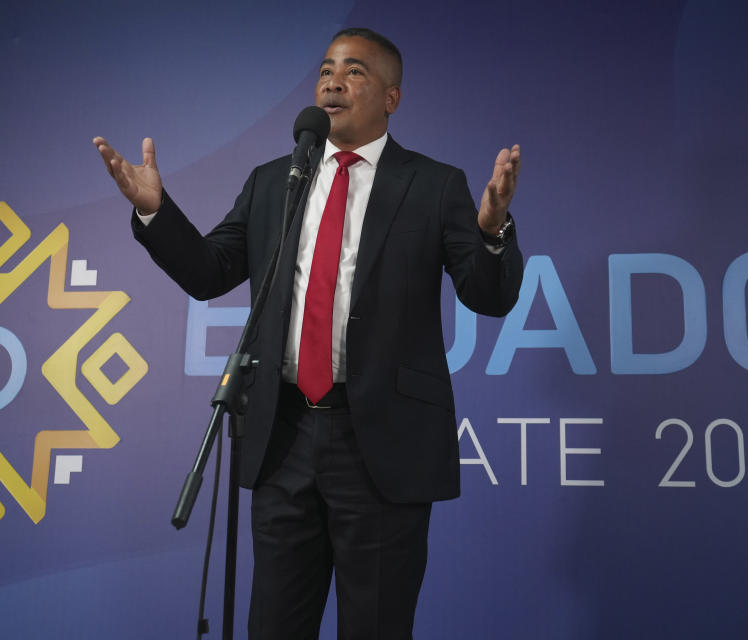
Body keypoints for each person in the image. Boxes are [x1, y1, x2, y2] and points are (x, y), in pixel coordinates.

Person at [93, 27, 523, 640]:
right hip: (283, 435)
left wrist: (492, 228)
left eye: (354, 72)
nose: (332, 81)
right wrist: (155, 212)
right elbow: (210, 271)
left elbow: (489, 295)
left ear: (391, 98)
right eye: (326, 69)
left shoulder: (432, 185)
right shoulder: (276, 180)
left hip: (381, 445)